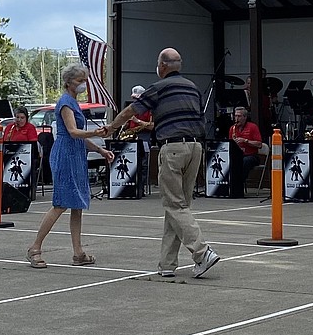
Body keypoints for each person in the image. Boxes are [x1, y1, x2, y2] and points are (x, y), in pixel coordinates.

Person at [102, 48, 221, 279]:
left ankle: (202, 252)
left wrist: (112, 128)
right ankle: (167, 265)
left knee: (174, 205)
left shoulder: (158, 88)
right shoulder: (193, 88)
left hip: (173, 148)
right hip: (195, 147)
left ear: (163, 66)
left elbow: (130, 111)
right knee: (178, 206)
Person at [27, 64, 114, 269]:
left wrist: (100, 150)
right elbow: (73, 132)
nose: (83, 84)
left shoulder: (74, 102)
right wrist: (97, 133)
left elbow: (80, 139)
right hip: (65, 155)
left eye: (84, 80)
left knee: (77, 205)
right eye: (79, 80)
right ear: (69, 82)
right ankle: (35, 248)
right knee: (61, 203)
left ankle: (78, 253)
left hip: (76, 155)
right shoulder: (65, 103)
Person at [228, 105, 262, 185]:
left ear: (245, 117)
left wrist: (245, 141)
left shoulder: (253, 127)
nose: (236, 119)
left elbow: (259, 144)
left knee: (244, 161)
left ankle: (238, 184)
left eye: (239, 116)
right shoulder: (232, 128)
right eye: (235, 116)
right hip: (238, 155)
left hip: (251, 156)